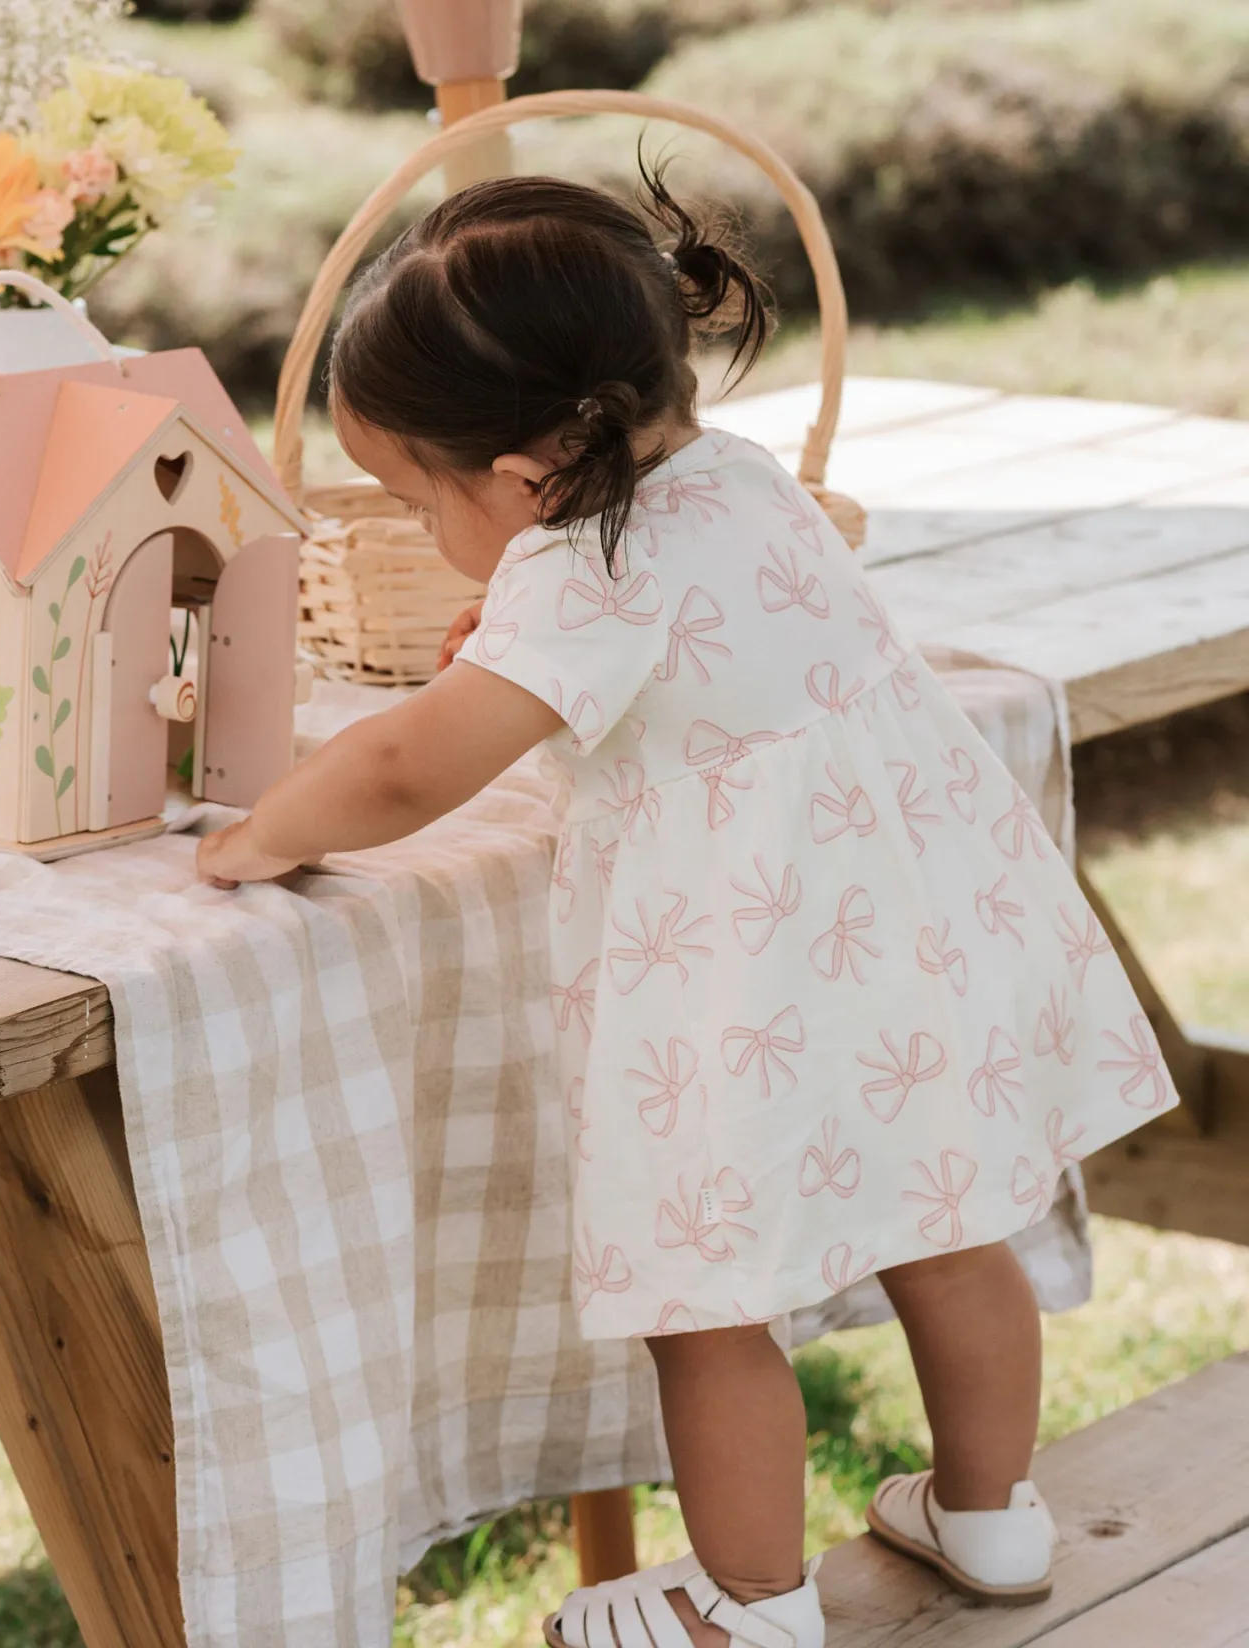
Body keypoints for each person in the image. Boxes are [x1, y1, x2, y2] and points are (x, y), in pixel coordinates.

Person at [196, 161, 1175, 1647]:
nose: (422, 526)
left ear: (524, 479)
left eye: (416, 497)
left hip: (747, 991)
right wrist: (514, 619)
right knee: (952, 1220)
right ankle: (990, 1515)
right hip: (907, 948)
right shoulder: (744, 483)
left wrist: (264, 833)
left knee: (705, 1307)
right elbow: (697, 655)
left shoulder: (582, 572)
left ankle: (751, 1604)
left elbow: (406, 767)